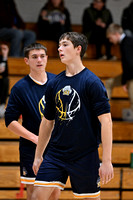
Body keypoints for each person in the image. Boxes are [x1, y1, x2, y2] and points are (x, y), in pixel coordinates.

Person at [32, 32, 114, 200]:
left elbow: (106, 122)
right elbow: (47, 122)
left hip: (85, 155)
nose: (59, 48)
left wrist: (106, 161)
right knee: (37, 196)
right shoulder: (54, 83)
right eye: (59, 45)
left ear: (78, 49)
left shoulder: (92, 82)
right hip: (56, 154)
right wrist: (38, 155)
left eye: (65, 44)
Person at [5, 43, 60, 200]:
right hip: (31, 149)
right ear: (26, 61)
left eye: (42, 56)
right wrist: (35, 138)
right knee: (35, 196)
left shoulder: (58, 82)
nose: (39, 60)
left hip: (56, 149)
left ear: (47, 58)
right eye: (34, 57)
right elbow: (10, 121)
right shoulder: (20, 88)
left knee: (54, 194)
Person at [106, 23, 133, 121]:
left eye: (110, 37)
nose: (110, 40)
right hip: (129, 74)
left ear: (116, 34)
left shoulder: (127, 43)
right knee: (108, 83)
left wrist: (125, 81)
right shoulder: (125, 42)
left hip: (131, 75)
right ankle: (104, 113)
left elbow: (130, 64)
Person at [0, 43, 9, 118]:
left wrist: (5, 56)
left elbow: (5, 74)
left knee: (5, 80)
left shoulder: (1, 58)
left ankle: (1, 107)